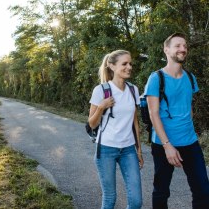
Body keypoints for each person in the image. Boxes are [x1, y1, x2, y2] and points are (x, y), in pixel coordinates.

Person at [144, 32, 209, 209]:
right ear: (166, 50)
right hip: (164, 144)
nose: (183, 49)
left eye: (185, 46)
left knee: (203, 190)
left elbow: (188, 108)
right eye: (178, 45)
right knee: (161, 192)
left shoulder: (190, 77)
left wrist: (190, 131)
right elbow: (153, 114)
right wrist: (167, 145)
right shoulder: (155, 78)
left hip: (190, 142)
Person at [88, 50, 144, 209]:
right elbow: (91, 124)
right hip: (105, 149)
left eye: (130, 63)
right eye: (124, 64)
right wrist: (101, 107)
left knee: (136, 201)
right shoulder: (101, 90)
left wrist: (139, 150)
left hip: (128, 150)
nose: (129, 67)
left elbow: (135, 123)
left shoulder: (133, 90)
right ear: (112, 66)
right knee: (110, 198)